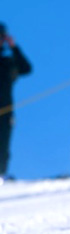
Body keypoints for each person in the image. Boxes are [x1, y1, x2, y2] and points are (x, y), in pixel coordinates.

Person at [0, 23, 32, 182]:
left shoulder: (8, 62)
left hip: (5, 112)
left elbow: (26, 68)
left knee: (2, 146)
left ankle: (1, 177)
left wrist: (14, 47)